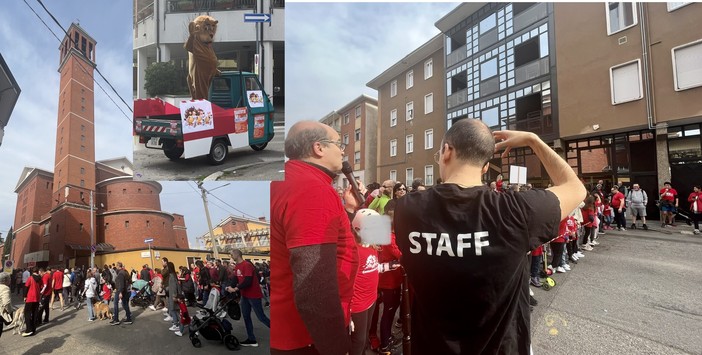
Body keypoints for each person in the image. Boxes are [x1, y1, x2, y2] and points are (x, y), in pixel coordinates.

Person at [395, 121, 585, 354]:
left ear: (446, 151)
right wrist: (533, 140)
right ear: (486, 168)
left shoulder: (407, 209)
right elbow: (575, 188)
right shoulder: (516, 211)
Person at [270, 120, 360, 355]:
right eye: (339, 144)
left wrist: (348, 212)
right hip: (307, 338)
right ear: (318, 148)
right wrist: (338, 348)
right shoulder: (312, 190)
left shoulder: (291, 181)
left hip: (301, 333)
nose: (343, 150)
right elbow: (314, 289)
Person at [225, 249, 270, 347]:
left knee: (261, 317)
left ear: (237, 254)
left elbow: (248, 281)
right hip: (245, 296)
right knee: (246, 317)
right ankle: (251, 339)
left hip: (253, 295)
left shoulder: (247, 265)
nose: (231, 256)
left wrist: (236, 288)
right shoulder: (237, 266)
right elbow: (236, 278)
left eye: (231, 254)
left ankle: (278, 332)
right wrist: (230, 287)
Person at [22, 267, 42, 337]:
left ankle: (28, 329)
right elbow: (41, 287)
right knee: (34, 313)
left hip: (30, 298)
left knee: (27, 313)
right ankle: (33, 329)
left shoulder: (30, 278)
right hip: (37, 298)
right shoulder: (40, 278)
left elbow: (26, 287)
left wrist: (24, 296)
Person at [0, 272, 12, 338]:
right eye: (9, 279)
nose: (10, 280)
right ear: (5, 280)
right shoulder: (5, 288)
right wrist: (10, 311)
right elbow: (6, 303)